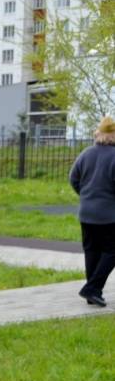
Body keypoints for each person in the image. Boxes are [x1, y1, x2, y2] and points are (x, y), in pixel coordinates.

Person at [69, 115, 115, 308]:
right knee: (112, 250)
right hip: (108, 215)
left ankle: (92, 293)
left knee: (92, 251)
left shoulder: (86, 153)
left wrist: (86, 195)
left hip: (86, 213)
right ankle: (92, 288)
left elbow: (74, 179)